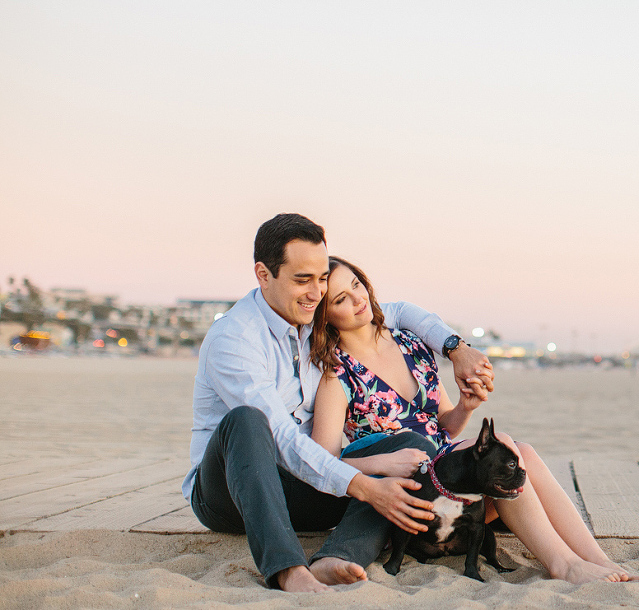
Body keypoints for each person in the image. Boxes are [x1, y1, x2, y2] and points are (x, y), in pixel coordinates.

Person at [185, 213, 495, 593]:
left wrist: (455, 349)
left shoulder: (312, 317)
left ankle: (340, 556)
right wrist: (363, 483)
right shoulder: (235, 338)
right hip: (231, 491)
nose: (316, 292)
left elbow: (399, 311)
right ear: (264, 275)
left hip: (301, 483)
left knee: (409, 448)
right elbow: (280, 437)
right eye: (302, 280)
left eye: (321, 279)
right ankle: (288, 570)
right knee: (249, 421)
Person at [310, 255, 639, 584]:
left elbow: (443, 424)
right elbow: (320, 462)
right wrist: (387, 461)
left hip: (452, 482)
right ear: (325, 314)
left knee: (520, 452)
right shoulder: (335, 374)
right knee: (508, 450)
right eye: (341, 298)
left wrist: (465, 407)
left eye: (357, 285)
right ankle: (565, 565)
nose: (358, 300)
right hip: (413, 498)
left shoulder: (409, 344)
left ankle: (597, 558)